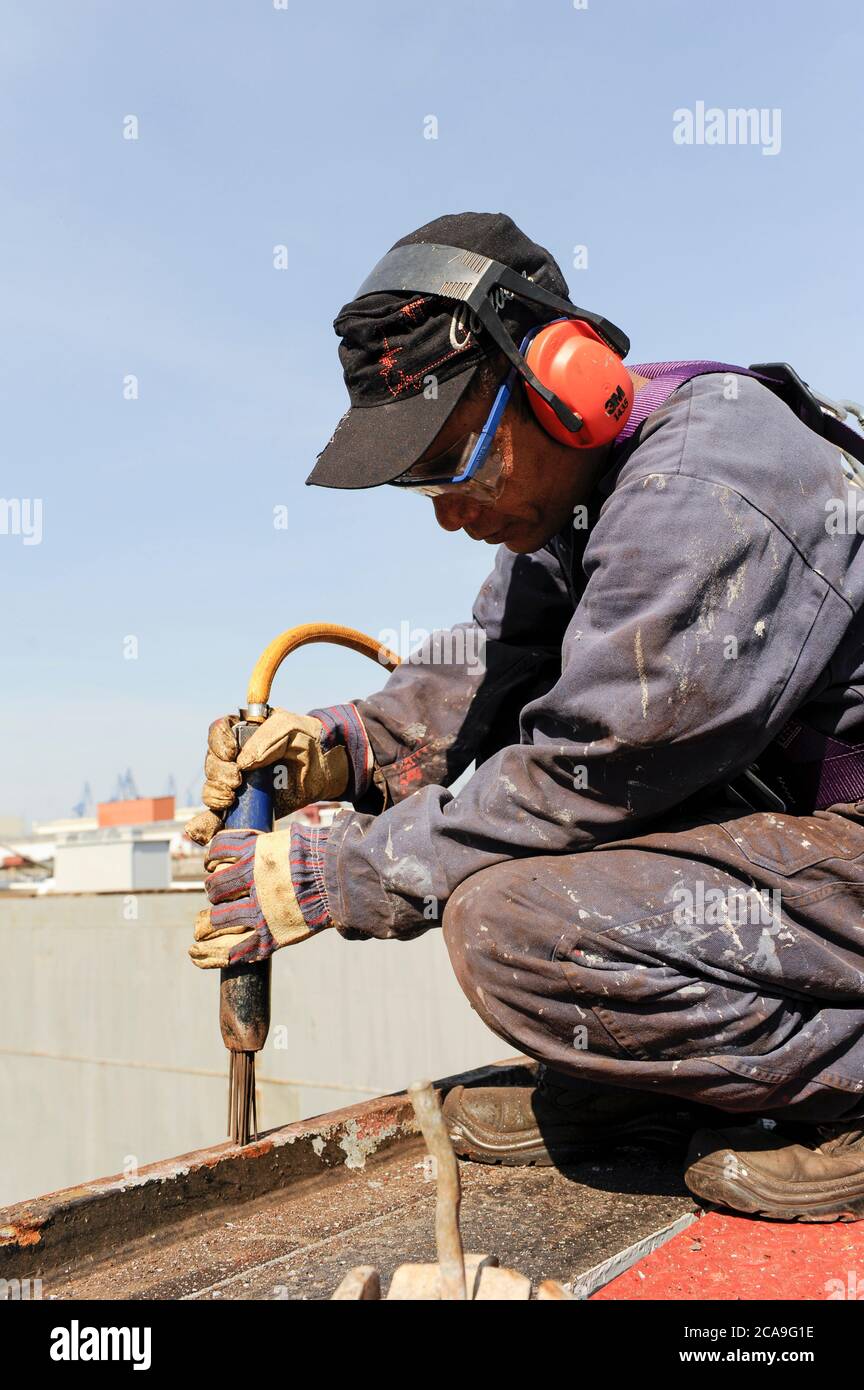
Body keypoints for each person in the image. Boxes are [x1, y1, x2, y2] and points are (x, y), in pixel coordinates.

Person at [187, 212, 864, 1222]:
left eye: (458, 460)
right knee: (516, 880)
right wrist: (343, 747)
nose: (448, 512)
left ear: (563, 377)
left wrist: (348, 873)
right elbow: (495, 669)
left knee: (514, 927)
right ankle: (651, 1081)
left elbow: (588, 763)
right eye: (422, 481)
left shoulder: (707, 488)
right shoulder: (587, 497)